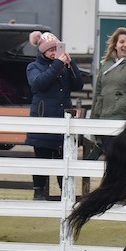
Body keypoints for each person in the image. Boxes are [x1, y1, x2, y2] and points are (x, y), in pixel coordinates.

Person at [25, 30, 84, 200]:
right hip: (43, 118)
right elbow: (39, 83)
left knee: (62, 158)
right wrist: (58, 64)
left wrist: (71, 65)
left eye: (56, 49)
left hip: (63, 118)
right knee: (42, 158)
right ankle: (39, 192)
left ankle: (65, 192)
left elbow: (78, 85)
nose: (53, 53)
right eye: (50, 50)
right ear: (42, 51)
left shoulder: (63, 65)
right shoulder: (33, 67)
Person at [91, 27, 126, 153]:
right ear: (115, 45)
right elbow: (98, 94)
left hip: (123, 122)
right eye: (122, 42)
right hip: (104, 120)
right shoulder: (106, 64)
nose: (125, 45)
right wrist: (93, 121)